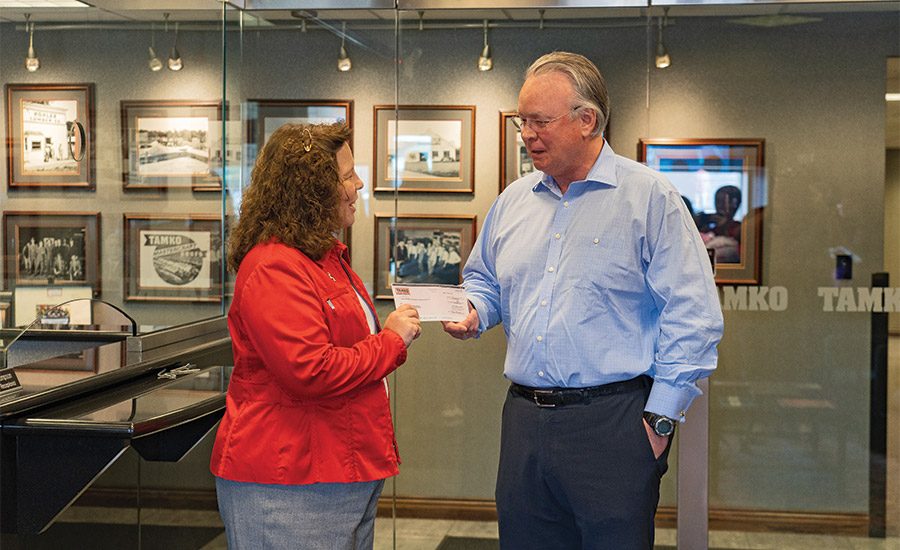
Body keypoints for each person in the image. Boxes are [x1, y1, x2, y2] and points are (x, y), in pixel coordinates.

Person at [442, 52, 724, 550]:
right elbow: (485, 280)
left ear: (587, 120)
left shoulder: (649, 198)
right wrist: (475, 311)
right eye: (521, 122)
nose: (527, 134)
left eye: (540, 121)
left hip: (613, 424)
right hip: (524, 422)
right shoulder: (513, 201)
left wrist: (660, 420)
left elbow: (693, 315)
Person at [210, 123, 421, 550]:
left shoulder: (322, 259)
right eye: (347, 176)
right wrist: (391, 341)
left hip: (335, 471)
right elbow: (310, 370)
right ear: (311, 190)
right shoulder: (274, 266)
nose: (358, 185)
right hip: (290, 478)